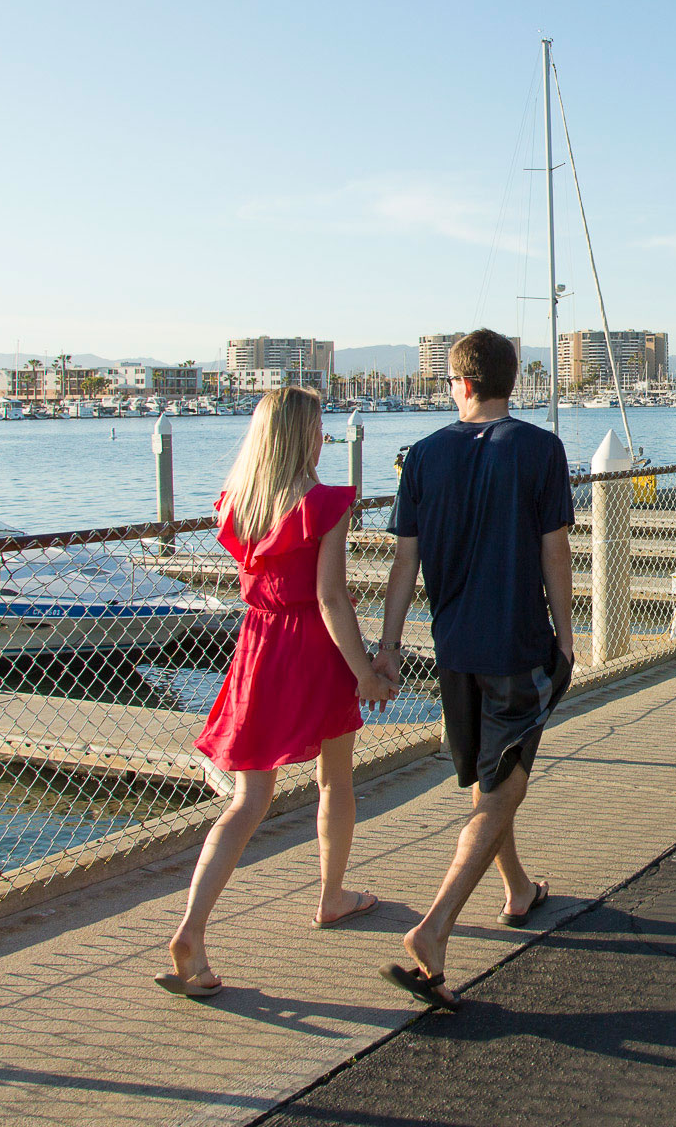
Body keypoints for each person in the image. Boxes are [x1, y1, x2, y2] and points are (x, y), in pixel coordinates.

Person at [158, 388, 396, 998]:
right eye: (319, 426)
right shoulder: (325, 504)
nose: (324, 436)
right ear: (304, 435)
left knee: (248, 798)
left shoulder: (237, 504)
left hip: (259, 647)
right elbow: (330, 598)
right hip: (313, 649)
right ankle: (331, 896)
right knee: (334, 779)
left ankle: (192, 927)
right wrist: (366, 670)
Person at [375, 329, 576, 1012]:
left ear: (457, 383)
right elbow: (556, 554)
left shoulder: (424, 456)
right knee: (504, 784)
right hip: (518, 644)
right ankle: (433, 930)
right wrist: (569, 638)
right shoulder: (541, 449)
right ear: (511, 382)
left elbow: (404, 563)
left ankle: (516, 888)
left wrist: (389, 645)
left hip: (454, 647)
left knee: (494, 780)